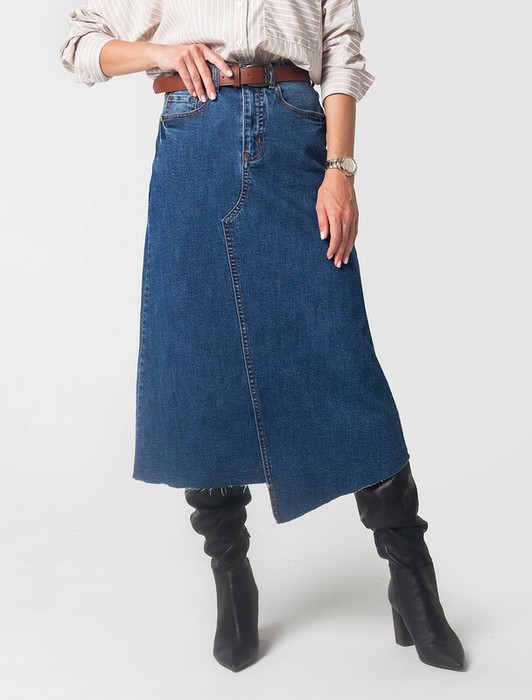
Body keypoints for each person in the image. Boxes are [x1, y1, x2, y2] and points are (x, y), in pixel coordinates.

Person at [59, 0, 466, 674]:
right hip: (195, 136)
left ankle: (411, 576)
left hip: (296, 132)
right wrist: (158, 53)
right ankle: (231, 574)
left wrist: (341, 168)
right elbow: (79, 44)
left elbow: (341, 49)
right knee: (201, 365)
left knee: (343, 365)